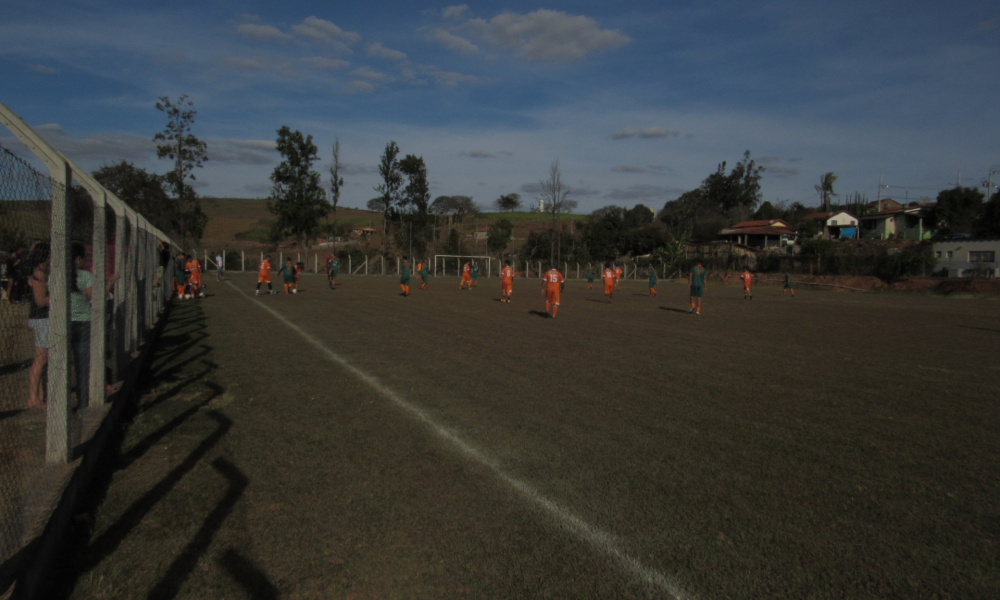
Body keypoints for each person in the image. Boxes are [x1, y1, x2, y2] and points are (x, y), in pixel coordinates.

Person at [70, 243, 119, 410]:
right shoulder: (85, 276)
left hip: (61, 324)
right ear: (78, 259)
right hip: (83, 322)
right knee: (83, 366)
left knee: (61, 365)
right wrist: (110, 284)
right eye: (83, 259)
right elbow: (96, 298)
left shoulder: (54, 275)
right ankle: (83, 403)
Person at [27, 243, 50, 408]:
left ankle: (39, 396)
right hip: (41, 318)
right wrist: (60, 297)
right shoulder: (39, 274)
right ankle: (33, 398)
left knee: (43, 359)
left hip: (42, 319)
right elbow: (41, 301)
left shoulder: (41, 273)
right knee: (41, 359)